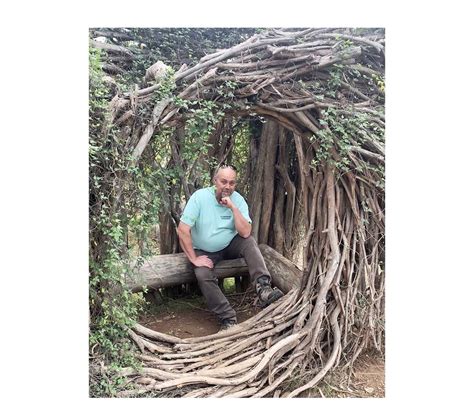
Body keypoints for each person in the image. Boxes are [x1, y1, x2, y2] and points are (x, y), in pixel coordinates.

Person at [177, 165, 284, 331]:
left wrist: (233, 208)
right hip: (204, 251)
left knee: (249, 242)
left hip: (229, 245)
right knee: (202, 274)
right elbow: (183, 229)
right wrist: (193, 258)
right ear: (215, 181)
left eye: (232, 183)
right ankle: (228, 318)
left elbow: (245, 232)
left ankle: (263, 289)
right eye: (224, 181)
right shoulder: (200, 198)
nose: (227, 186)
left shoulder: (238, 200)